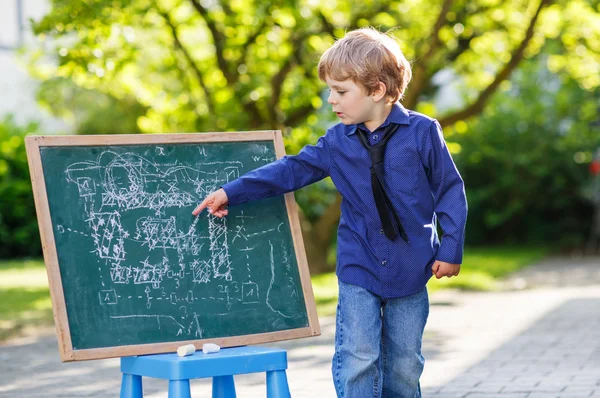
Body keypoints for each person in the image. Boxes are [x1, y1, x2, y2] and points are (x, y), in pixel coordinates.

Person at [192, 27, 467, 398]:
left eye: (340, 91)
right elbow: (289, 170)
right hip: (359, 264)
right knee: (358, 356)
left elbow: (450, 189)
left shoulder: (422, 133)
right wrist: (232, 192)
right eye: (330, 90)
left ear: (377, 90)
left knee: (404, 363)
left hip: (412, 264)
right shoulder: (336, 142)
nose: (330, 100)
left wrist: (450, 249)